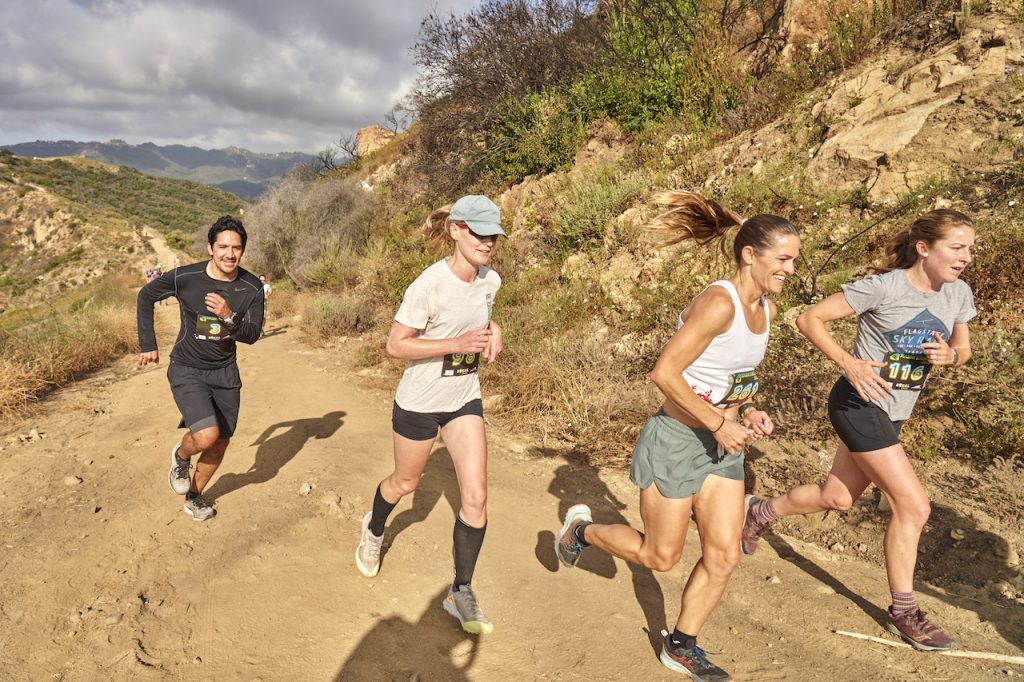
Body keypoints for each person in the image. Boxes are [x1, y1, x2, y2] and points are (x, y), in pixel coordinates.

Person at [554, 192, 800, 680]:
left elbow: (733, 378)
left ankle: (682, 644)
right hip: (677, 440)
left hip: (722, 447)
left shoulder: (765, 310)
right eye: (784, 259)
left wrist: (749, 410)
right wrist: (717, 422)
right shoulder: (717, 302)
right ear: (750, 255)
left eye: (795, 260)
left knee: (724, 554)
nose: (791, 269)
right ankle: (579, 531)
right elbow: (665, 373)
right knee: (659, 556)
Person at [740, 209, 976, 652]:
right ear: (924, 248)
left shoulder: (958, 293)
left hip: (894, 411)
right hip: (858, 405)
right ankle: (904, 611)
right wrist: (847, 363)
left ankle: (759, 513)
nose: (965, 257)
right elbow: (809, 318)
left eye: (969, 249)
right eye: (956, 247)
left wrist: (951, 356)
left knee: (838, 497)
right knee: (914, 505)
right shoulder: (884, 287)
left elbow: (964, 348)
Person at [355, 195, 505, 635]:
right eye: (479, 232)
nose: (488, 242)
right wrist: (455, 345)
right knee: (406, 484)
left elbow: (483, 316)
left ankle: (460, 591)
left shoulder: (490, 280)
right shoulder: (427, 285)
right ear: (456, 230)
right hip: (419, 402)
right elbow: (395, 345)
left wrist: (495, 331)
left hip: (463, 398)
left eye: (493, 234)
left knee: (475, 497)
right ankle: (375, 529)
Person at [137, 216, 265, 521]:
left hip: (225, 373)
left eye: (236, 248)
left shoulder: (251, 287)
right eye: (223, 246)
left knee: (220, 442)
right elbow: (146, 296)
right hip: (187, 368)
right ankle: (182, 456)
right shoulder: (187, 277)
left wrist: (228, 315)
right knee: (207, 435)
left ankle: (194, 496)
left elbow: (252, 335)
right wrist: (147, 344)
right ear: (210, 247)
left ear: (243, 250)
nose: (229, 254)